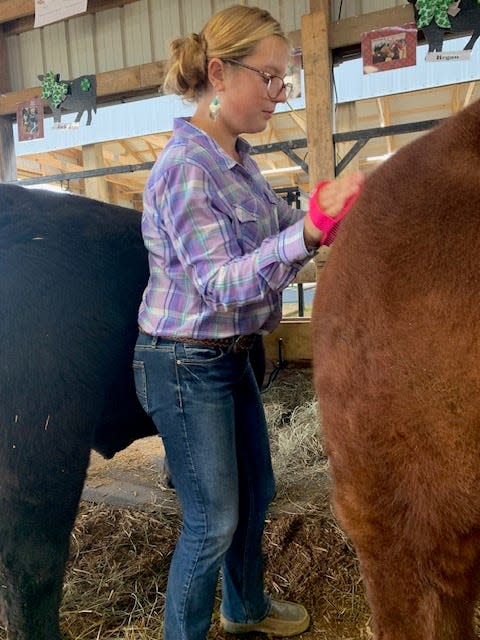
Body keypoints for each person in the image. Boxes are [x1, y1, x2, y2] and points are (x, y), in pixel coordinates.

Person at [132, 5, 364, 640]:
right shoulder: (184, 169)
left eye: (283, 79)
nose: (278, 94)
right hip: (182, 360)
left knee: (255, 495)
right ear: (219, 73)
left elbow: (276, 227)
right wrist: (307, 238)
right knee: (211, 520)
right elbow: (217, 284)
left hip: (228, 357)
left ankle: (244, 609)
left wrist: (323, 212)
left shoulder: (237, 159)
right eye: (270, 78)